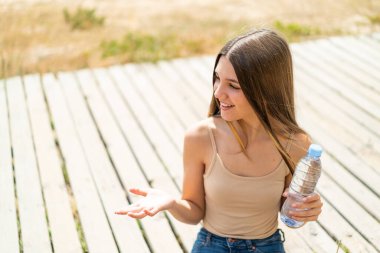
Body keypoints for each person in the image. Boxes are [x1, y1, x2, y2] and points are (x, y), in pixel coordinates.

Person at [115, 28, 323, 253]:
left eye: (233, 86)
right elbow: (194, 212)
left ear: (265, 89)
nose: (218, 92)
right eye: (217, 78)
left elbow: (288, 210)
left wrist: (305, 209)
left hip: (267, 247)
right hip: (210, 246)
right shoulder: (201, 137)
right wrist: (171, 202)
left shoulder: (296, 144)